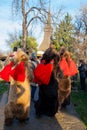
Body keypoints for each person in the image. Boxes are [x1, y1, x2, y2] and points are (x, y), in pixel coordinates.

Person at [34, 47, 60, 117]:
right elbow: (59, 72)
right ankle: (51, 112)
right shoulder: (55, 61)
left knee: (42, 97)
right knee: (52, 98)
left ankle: (39, 112)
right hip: (52, 82)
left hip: (43, 83)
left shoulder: (43, 60)